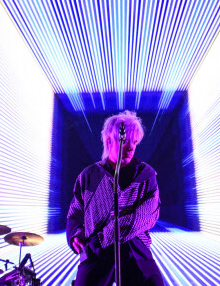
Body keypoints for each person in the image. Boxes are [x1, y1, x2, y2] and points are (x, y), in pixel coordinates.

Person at [66, 110, 164, 286]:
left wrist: (103, 238)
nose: (131, 147)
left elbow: (144, 216)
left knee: (153, 282)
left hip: (134, 249)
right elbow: (75, 213)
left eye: (134, 142)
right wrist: (76, 235)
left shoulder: (146, 175)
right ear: (109, 140)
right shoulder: (88, 175)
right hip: (97, 254)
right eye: (125, 141)